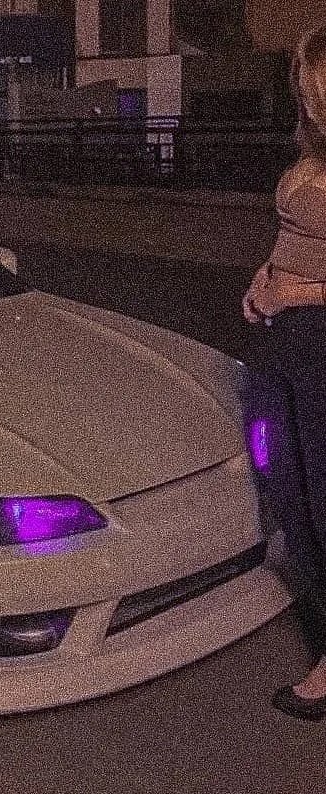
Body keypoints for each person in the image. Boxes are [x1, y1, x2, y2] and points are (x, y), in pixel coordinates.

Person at [242, 23, 326, 721]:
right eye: (309, 89)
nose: (312, 103)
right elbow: (294, 238)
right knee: (291, 499)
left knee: (324, 505)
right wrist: (264, 276)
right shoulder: (309, 158)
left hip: (320, 339)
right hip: (284, 344)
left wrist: (295, 293)